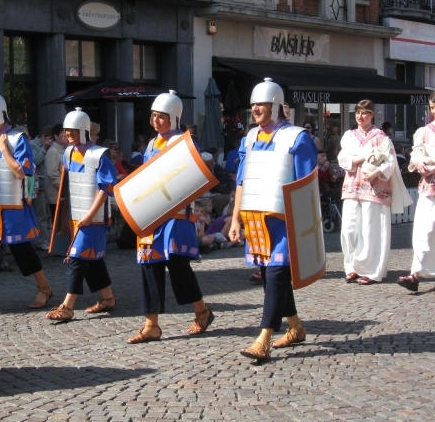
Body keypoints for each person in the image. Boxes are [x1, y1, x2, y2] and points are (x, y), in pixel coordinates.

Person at [228, 78, 317, 362]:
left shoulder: (297, 137)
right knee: (269, 275)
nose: (255, 108)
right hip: (256, 218)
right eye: (253, 104)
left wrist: (304, 228)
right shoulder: (250, 137)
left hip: (284, 219)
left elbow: (306, 185)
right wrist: (235, 220)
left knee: (277, 273)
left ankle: (263, 338)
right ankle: (295, 327)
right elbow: (242, 181)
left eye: (261, 104)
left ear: (276, 105)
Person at [127, 90, 214, 344]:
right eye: (153, 115)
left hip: (176, 216)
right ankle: (151, 324)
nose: (155, 120)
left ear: (174, 117)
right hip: (152, 215)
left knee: (177, 266)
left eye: (161, 116)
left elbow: (192, 177)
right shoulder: (153, 143)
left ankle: (202, 311)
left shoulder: (185, 142)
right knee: (149, 265)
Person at [0, 92, 53, 315]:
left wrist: (5, 149)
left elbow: (21, 173)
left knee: (23, 251)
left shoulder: (18, 139)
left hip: (14, 206)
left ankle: (44, 288)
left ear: (1, 112)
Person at [45, 108, 117, 321]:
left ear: (83, 130)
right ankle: (108, 299)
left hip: (95, 218)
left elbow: (106, 189)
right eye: (66, 131)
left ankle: (67, 306)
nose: (68, 134)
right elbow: (67, 189)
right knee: (92, 260)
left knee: (77, 257)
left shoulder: (99, 154)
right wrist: (65, 218)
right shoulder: (67, 153)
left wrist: (90, 215)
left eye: (72, 131)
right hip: (77, 216)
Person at [338, 100, 411, 286]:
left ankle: (371, 270)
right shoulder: (349, 136)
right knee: (349, 229)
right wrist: (363, 156)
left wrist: (376, 172)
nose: (360, 116)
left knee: (371, 230)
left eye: (364, 113)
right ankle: (352, 266)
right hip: (353, 186)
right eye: (357, 113)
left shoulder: (381, 137)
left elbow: (390, 162)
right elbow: (343, 159)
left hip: (374, 189)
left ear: (372, 114)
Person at [398, 93, 435, 292]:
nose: (434, 111)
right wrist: (419, 161)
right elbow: (416, 152)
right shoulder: (423, 132)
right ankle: (415, 272)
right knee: (422, 228)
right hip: (429, 187)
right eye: (431, 108)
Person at [29, 125, 53, 250]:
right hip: (36, 186)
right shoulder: (33, 145)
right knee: (40, 215)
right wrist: (44, 148)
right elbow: (34, 161)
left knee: (45, 215)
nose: (50, 142)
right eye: (49, 139)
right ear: (42, 137)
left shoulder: (51, 146)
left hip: (45, 185)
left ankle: (41, 239)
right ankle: (40, 241)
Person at [45, 123, 67, 223]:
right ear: (55, 136)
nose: (66, 136)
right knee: (58, 223)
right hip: (57, 194)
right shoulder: (53, 151)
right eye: (63, 134)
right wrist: (64, 188)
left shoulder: (66, 149)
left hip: (64, 194)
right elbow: (52, 174)